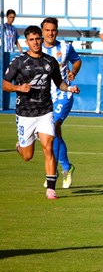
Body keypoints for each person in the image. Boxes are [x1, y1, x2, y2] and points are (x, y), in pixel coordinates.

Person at [2, 25, 80, 200]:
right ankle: (20, 147)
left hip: (45, 111)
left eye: (38, 39)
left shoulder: (50, 61)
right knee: (27, 156)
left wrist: (69, 88)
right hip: (25, 113)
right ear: (27, 41)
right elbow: (5, 84)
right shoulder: (18, 62)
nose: (36, 42)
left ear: (41, 39)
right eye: (32, 40)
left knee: (48, 146)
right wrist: (18, 87)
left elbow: (59, 82)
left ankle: (51, 189)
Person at [41, 17, 82, 189]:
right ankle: (65, 167)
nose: (51, 33)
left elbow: (77, 60)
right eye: (47, 30)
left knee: (53, 128)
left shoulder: (65, 47)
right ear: (42, 31)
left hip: (63, 95)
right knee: (51, 134)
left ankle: (58, 171)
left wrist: (73, 72)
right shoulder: (37, 49)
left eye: (53, 30)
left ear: (57, 31)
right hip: (44, 98)